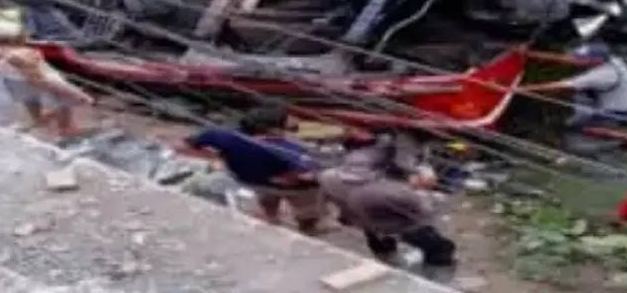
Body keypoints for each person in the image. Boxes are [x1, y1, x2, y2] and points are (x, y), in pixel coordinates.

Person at [319, 133, 457, 271]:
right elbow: (425, 212)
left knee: (378, 238)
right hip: (397, 224)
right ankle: (433, 280)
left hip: (366, 221)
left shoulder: (329, 176)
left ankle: (388, 264)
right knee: (442, 248)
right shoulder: (397, 192)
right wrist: (425, 192)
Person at [179, 106, 324, 235]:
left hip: (248, 180)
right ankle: (307, 227)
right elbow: (308, 176)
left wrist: (218, 157)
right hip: (287, 186)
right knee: (312, 193)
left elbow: (185, 145)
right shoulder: (287, 149)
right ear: (273, 128)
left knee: (268, 193)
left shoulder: (223, 136)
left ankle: (271, 218)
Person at [0, 14, 94, 138]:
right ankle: (65, 129)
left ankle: (37, 119)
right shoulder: (22, 55)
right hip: (40, 77)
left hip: (14, 79)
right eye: (23, 35)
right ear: (14, 40)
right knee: (62, 101)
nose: (27, 36)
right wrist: (77, 94)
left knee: (29, 99)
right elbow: (42, 80)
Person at [524, 42, 627, 131]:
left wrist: (521, 89)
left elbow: (562, 85)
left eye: (582, 58)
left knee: (576, 127)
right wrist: (529, 53)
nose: (577, 60)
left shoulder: (602, 75)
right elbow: (566, 59)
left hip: (625, 110)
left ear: (596, 60)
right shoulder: (611, 59)